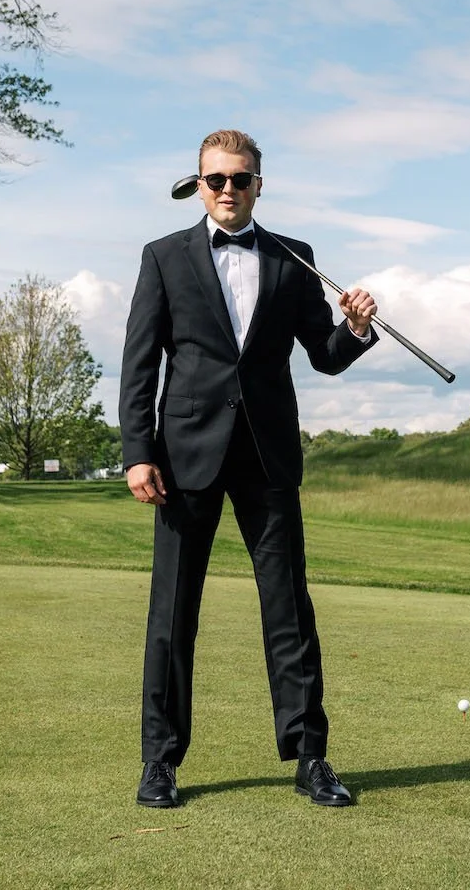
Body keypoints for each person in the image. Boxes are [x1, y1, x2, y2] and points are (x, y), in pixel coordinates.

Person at [119, 128, 378, 809]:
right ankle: (160, 759)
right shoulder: (163, 257)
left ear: (261, 184)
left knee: (289, 609)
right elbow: (140, 363)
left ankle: (310, 756)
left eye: (240, 179)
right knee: (172, 613)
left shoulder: (296, 258)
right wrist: (137, 451)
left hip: (267, 455)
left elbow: (321, 354)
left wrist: (353, 329)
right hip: (182, 457)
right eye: (216, 179)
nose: (228, 189)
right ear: (198, 185)